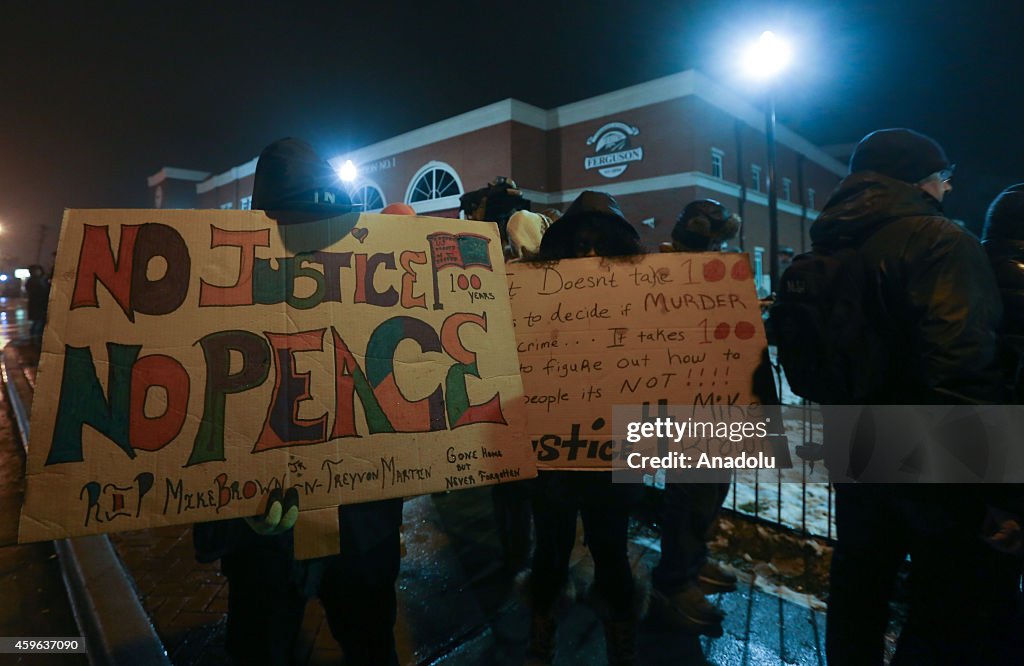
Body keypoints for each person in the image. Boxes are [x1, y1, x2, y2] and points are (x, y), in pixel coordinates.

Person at [192, 138, 404, 666]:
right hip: (263, 542)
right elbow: (196, 421)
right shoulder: (212, 299)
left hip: (362, 534)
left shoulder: (378, 287)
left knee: (372, 645)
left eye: (319, 226)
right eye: (290, 226)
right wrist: (234, 509)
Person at [814, 129, 1020, 664]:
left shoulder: (832, 241)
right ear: (916, 180)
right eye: (942, 179)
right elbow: (962, 364)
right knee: (943, 595)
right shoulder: (942, 241)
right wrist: (991, 485)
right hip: (933, 447)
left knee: (860, 581)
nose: (948, 190)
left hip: (856, 434)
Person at [520, 191, 646, 666]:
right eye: (579, 246)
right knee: (550, 545)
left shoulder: (641, 297)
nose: (589, 256)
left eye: (600, 246)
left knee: (611, 546)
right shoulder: (537, 293)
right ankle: (543, 623)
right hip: (553, 445)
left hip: (614, 443)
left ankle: (619, 627)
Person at [649, 200, 741, 636]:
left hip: (718, 395)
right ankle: (673, 580)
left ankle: (695, 562)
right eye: (715, 239)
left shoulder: (716, 273)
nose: (718, 247)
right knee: (689, 492)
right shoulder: (660, 273)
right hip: (684, 398)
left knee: (713, 486)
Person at [25, 264, 50, 345]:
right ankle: (34, 339)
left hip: (43, 304)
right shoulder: (31, 281)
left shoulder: (44, 279)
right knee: (38, 322)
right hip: (36, 304)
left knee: (41, 322)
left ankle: (38, 338)